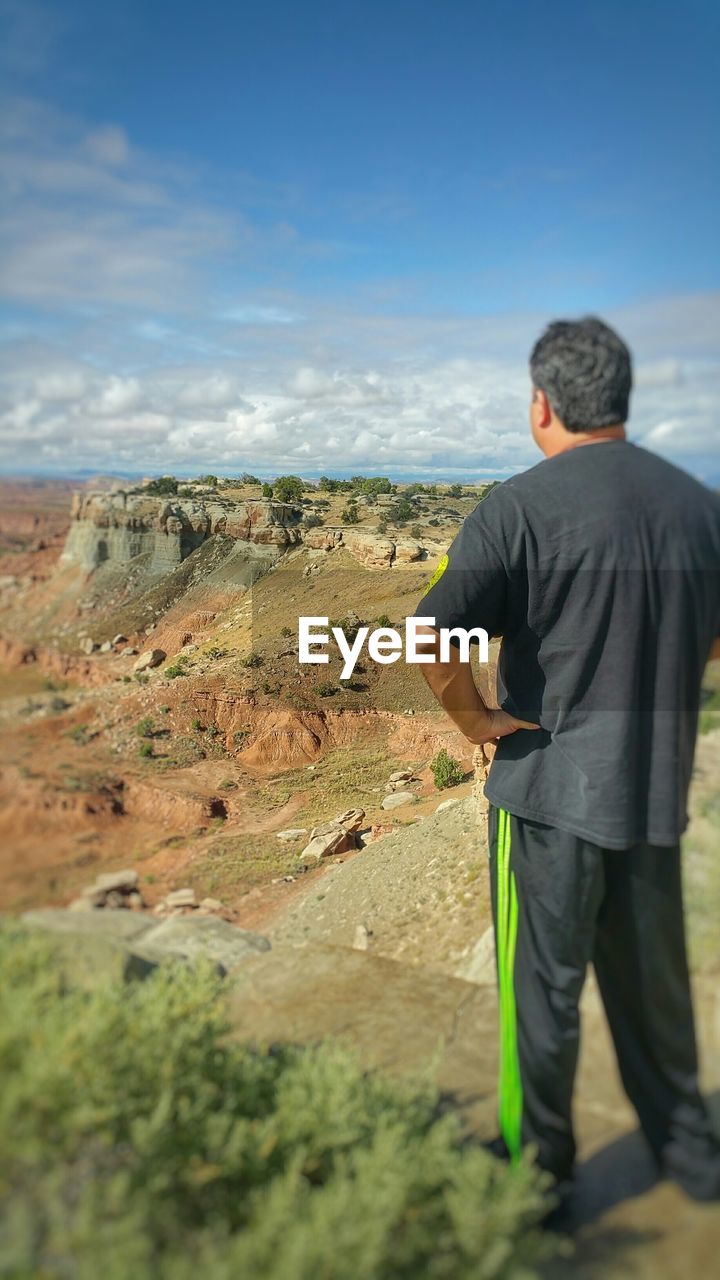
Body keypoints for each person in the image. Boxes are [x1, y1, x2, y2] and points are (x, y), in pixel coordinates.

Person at [415, 316, 720, 1201]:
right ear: (621, 400)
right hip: (651, 791)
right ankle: (693, 1159)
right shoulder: (697, 508)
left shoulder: (519, 506)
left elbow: (430, 636)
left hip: (546, 798)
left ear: (542, 404)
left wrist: (475, 721)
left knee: (541, 1001)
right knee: (654, 989)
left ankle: (537, 1187)